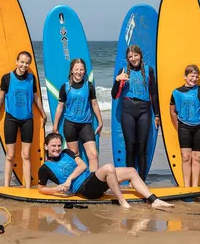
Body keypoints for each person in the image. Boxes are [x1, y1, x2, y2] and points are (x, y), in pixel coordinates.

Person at [38, 133, 174, 209]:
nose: (56, 148)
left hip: (90, 178)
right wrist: (57, 189)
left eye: (58, 145)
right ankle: (122, 201)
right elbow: (41, 189)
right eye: (52, 146)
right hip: (83, 190)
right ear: (45, 146)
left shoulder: (67, 152)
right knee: (109, 168)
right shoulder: (45, 168)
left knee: (132, 171)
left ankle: (153, 200)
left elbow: (83, 166)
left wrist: (68, 180)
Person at [0, 51, 47, 189]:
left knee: (26, 155)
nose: (24, 65)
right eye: (22, 62)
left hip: (27, 119)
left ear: (29, 64)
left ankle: (27, 188)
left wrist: (43, 113)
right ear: (17, 62)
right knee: (10, 155)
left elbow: (35, 97)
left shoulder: (31, 79)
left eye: (27, 63)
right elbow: (0, 98)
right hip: (11, 118)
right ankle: (6, 187)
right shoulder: (7, 78)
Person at [111, 45, 160, 181]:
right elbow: (114, 95)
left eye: (135, 55)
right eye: (130, 56)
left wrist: (157, 115)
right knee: (130, 146)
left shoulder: (149, 70)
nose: (133, 59)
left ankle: (142, 179)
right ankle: (132, 179)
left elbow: (154, 94)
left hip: (144, 110)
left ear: (140, 55)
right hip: (128, 110)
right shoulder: (123, 71)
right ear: (127, 58)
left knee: (142, 147)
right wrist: (117, 81)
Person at [52, 58, 102, 171]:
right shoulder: (65, 87)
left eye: (81, 69)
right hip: (70, 125)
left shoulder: (89, 86)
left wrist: (100, 121)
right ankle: (78, 182)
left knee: (93, 155)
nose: (79, 72)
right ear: (72, 71)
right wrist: (55, 126)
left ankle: (94, 182)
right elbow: (60, 107)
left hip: (86, 124)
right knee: (75, 155)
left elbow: (94, 104)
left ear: (84, 71)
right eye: (76, 69)